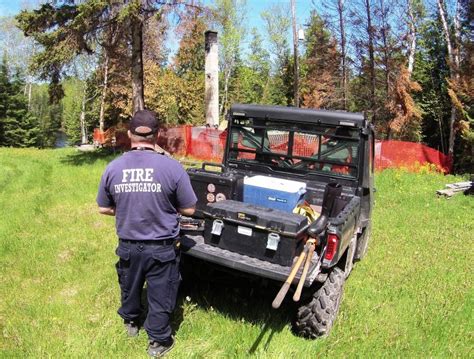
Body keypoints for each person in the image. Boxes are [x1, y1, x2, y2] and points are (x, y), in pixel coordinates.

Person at [96, 110, 197, 357]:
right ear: (157, 134)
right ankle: (159, 341)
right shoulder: (172, 168)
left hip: (128, 243)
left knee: (130, 284)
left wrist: (127, 206)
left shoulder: (113, 167)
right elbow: (190, 209)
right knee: (161, 292)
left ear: (130, 134)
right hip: (161, 246)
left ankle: (131, 322)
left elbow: (103, 207)